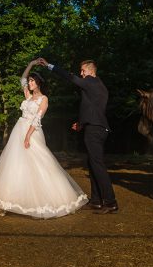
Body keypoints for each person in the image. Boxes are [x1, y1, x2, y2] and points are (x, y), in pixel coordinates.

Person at [0, 59, 88, 218]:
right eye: (30, 81)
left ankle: (41, 197)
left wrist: (27, 136)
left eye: (33, 81)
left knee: (38, 161)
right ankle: (10, 197)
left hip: (33, 132)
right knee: (15, 163)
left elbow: (37, 119)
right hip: (19, 130)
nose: (30, 83)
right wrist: (31, 64)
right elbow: (22, 79)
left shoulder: (44, 99)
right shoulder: (28, 96)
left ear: (38, 83)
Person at [38, 58, 118, 214]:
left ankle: (110, 202)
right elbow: (92, 108)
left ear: (91, 71)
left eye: (83, 70)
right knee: (92, 164)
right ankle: (96, 201)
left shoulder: (90, 81)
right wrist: (81, 123)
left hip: (94, 130)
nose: (81, 74)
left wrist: (49, 66)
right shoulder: (100, 86)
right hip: (98, 127)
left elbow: (69, 77)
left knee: (97, 165)